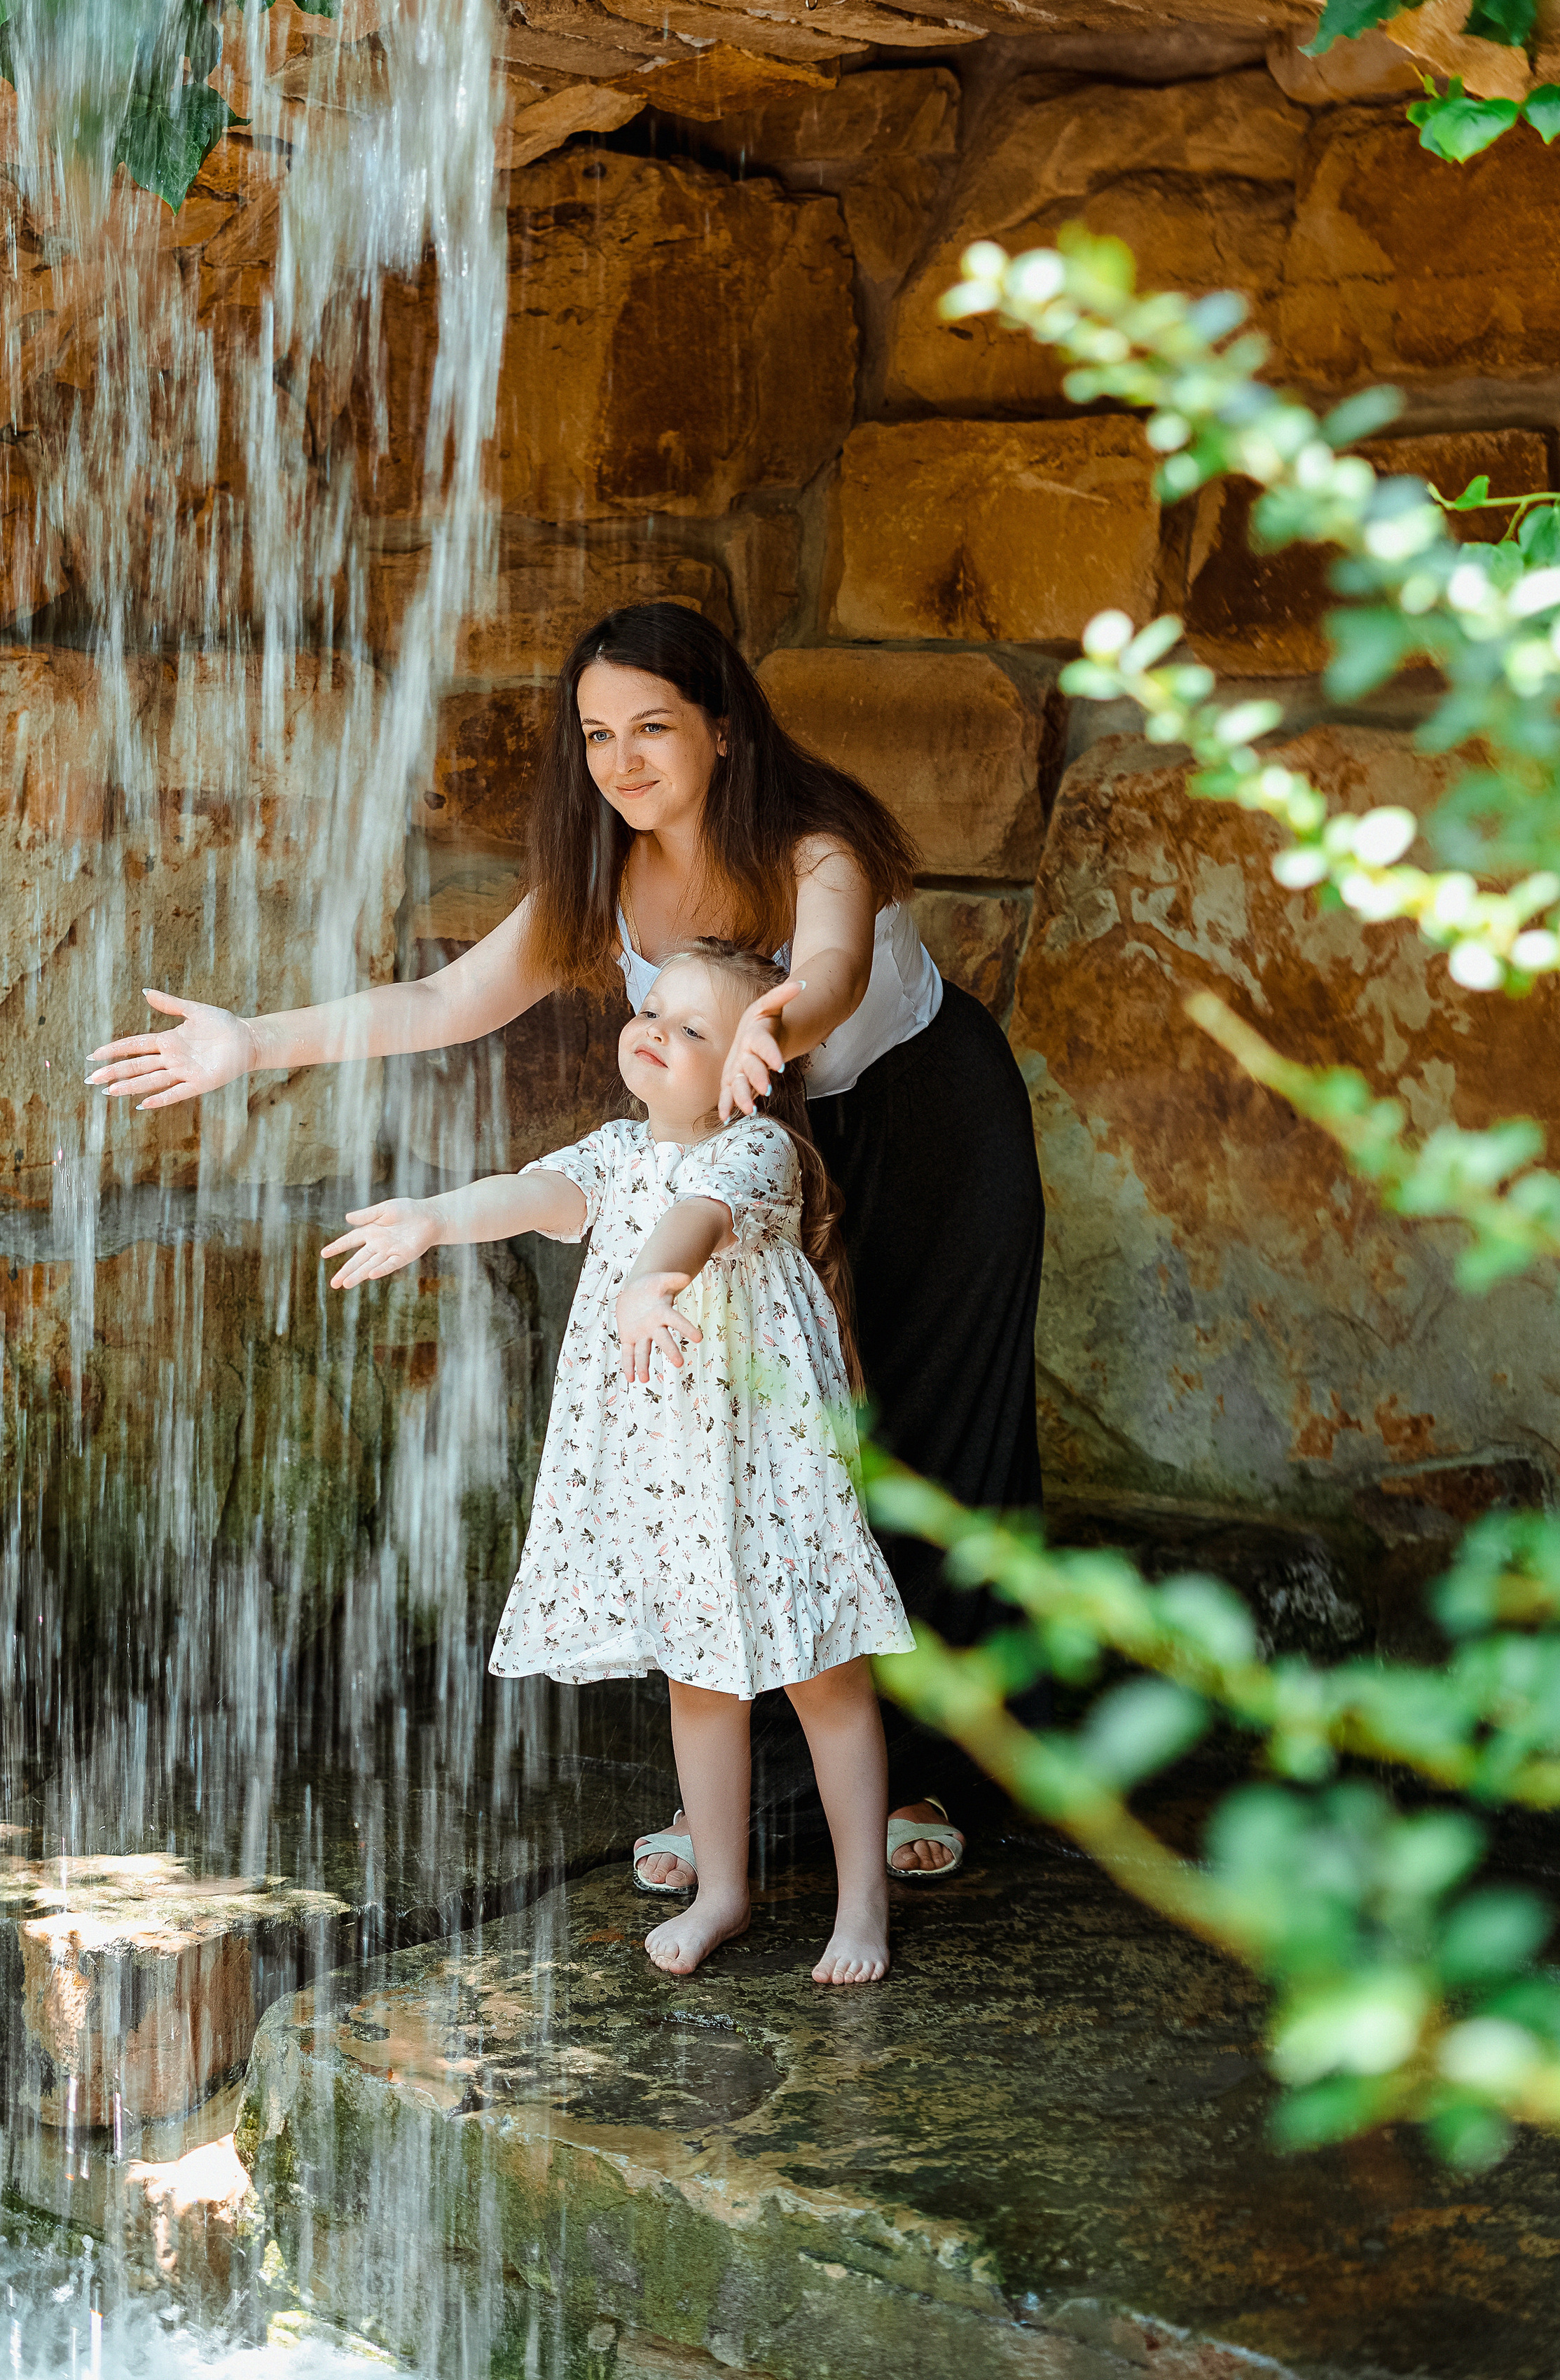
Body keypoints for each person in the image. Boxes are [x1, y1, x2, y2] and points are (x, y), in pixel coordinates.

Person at [86, 599, 1044, 1882]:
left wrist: (772, 1023)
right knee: (743, 1455)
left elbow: (829, 975)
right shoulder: (603, 879)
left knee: (920, 1438)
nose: (624, 760)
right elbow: (444, 1000)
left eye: (653, 726)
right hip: (740, 1158)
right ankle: (742, 1811)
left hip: (926, 1133)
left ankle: (927, 1779)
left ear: (723, 729)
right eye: (597, 734)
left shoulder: (815, 847)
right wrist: (251, 1042)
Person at [323, 941, 913, 1981]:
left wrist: (650, 1285)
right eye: (656, 1011)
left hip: (771, 1471)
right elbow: (531, 1193)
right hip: (672, 1476)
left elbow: (696, 1222)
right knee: (697, 1678)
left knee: (825, 1672)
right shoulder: (614, 1152)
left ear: (752, 1069)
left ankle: (861, 1905)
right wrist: (435, 1220)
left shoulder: (757, 1153)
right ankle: (724, 1889)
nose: (658, 1032)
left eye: (695, 1030)